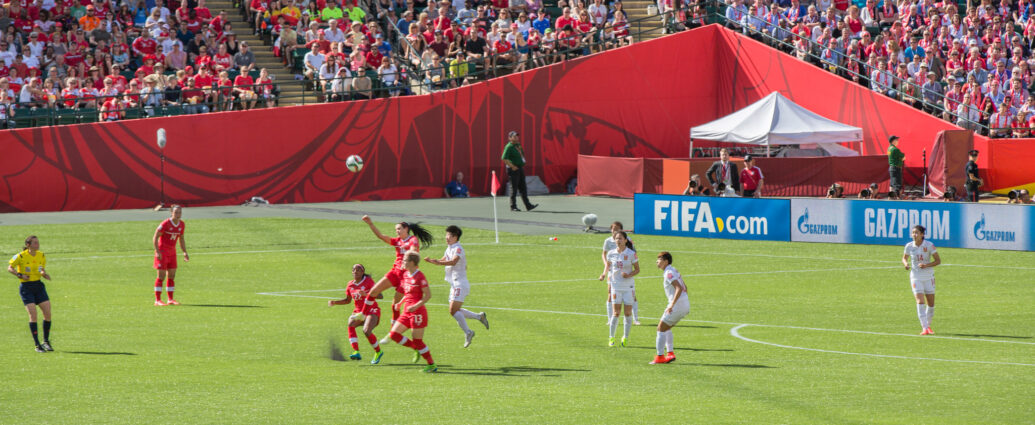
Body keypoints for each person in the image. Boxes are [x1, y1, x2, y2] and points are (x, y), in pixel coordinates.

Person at [356, 215, 433, 327]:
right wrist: (370, 224)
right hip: (395, 272)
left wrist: (406, 258)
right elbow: (381, 236)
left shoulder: (413, 240)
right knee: (373, 292)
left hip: (406, 277)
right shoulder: (397, 241)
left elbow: (412, 250)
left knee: (395, 304)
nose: (397, 231)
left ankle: (394, 327)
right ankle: (362, 315)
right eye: (396, 229)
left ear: (406, 229)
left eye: (399, 228)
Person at [424, 225, 489, 348]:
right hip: (454, 284)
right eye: (446, 235)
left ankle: (468, 332)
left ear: (456, 237)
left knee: (453, 311)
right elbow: (443, 260)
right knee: (455, 310)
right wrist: (432, 261)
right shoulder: (449, 248)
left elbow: (453, 261)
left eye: (449, 235)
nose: (447, 237)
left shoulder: (458, 248)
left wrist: (438, 262)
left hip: (460, 283)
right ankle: (479, 316)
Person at [378, 251, 438, 373]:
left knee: (418, 340)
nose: (402, 262)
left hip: (418, 313)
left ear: (411, 262)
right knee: (394, 334)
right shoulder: (405, 274)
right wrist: (400, 303)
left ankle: (431, 364)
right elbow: (408, 293)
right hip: (407, 311)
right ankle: (416, 349)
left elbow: (428, 295)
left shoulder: (420, 277)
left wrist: (416, 306)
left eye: (404, 260)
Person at [328, 264, 384, 364]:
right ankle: (356, 351)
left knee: (366, 331)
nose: (355, 271)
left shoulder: (368, 282)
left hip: (372, 310)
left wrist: (366, 294)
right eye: (354, 270)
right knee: (350, 324)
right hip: (358, 311)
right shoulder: (350, 285)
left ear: (362, 272)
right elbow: (347, 300)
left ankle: (378, 352)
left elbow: (380, 295)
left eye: (358, 270)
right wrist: (335, 302)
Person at [8, 236, 54, 353]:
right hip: (26, 288)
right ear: (28, 245)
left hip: (38, 287)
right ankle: (37, 345)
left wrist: (44, 274)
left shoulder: (41, 255)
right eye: (34, 243)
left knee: (47, 313)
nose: (37, 245)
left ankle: (46, 342)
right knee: (33, 315)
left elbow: (41, 269)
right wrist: (20, 275)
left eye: (38, 242)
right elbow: (10, 268)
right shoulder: (21, 256)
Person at [599, 231, 638, 347]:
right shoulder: (611, 253)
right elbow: (608, 266)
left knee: (627, 313)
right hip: (615, 285)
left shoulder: (631, 253)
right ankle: (611, 337)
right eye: (616, 239)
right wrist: (603, 274)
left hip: (628, 287)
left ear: (625, 240)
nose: (618, 240)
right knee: (616, 313)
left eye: (620, 238)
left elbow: (637, 269)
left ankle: (625, 337)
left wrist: (629, 275)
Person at [650, 251, 690, 365]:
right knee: (666, 328)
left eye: (659, 259)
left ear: (666, 261)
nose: (657, 261)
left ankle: (660, 357)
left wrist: (672, 305)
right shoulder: (673, 270)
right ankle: (670, 353)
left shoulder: (668, 273)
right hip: (685, 304)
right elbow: (685, 287)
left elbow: (679, 288)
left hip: (677, 305)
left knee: (660, 328)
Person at [902, 225, 941, 335]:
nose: (914, 235)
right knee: (920, 301)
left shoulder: (929, 245)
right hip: (915, 277)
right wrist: (905, 264)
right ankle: (924, 328)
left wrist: (927, 265)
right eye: (913, 233)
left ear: (922, 235)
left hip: (929, 277)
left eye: (916, 233)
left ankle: (928, 326)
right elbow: (904, 258)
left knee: (931, 304)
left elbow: (938, 261)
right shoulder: (909, 246)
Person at [153, 205, 189, 306]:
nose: (178, 214)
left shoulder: (182, 224)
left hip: (172, 253)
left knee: (172, 276)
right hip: (162, 252)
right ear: (171, 213)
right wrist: (157, 251)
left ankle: (170, 299)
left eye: (180, 212)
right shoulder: (165, 224)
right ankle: (157, 300)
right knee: (161, 276)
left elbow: (181, 238)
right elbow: (155, 237)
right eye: (176, 212)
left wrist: (184, 252)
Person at [501, 130, 538, 212]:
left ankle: (528, 205)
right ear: (509, 138)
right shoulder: (509, 146)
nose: (516, 137)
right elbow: (504, 158)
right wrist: (512, 166)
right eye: (514, 136)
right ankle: (513, 206)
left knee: (523, 188)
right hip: (513, 169)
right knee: (513, 188)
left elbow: (520, 154)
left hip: (520, 168)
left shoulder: (517, 145)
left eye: (517, 136)